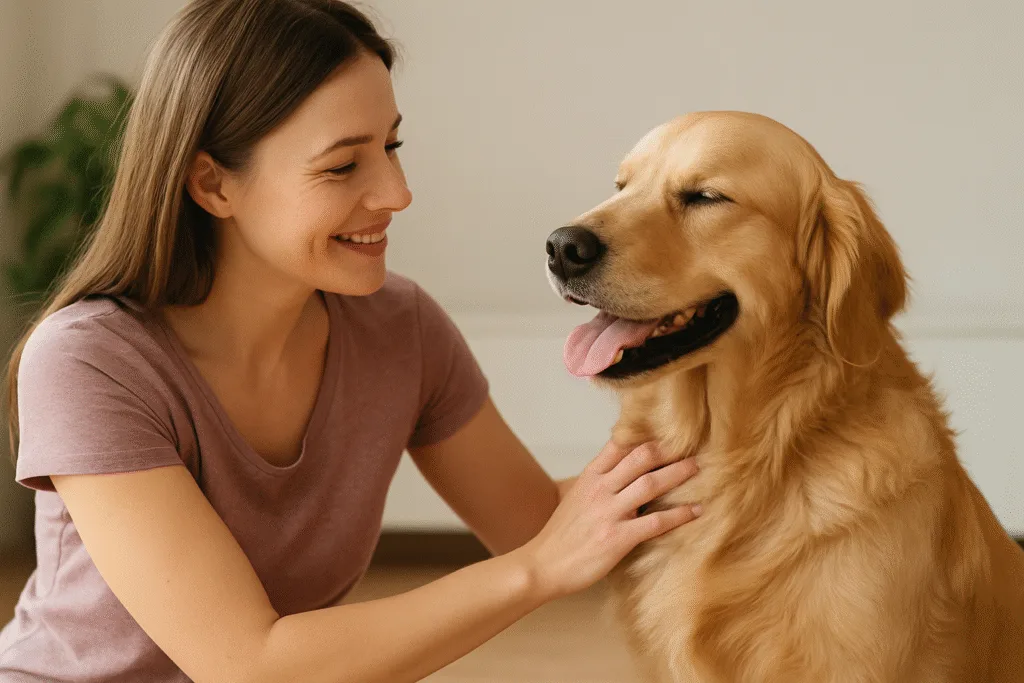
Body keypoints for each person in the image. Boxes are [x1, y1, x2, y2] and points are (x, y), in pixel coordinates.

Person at [0, 1, 702, 681]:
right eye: (343, 166)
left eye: (391, 146)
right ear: (212, 183)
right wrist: (535, 571)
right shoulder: (88, 362)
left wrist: (745, 433)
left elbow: (541, 524)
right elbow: (249, 663)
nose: (396, 192)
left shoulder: (401, 330)